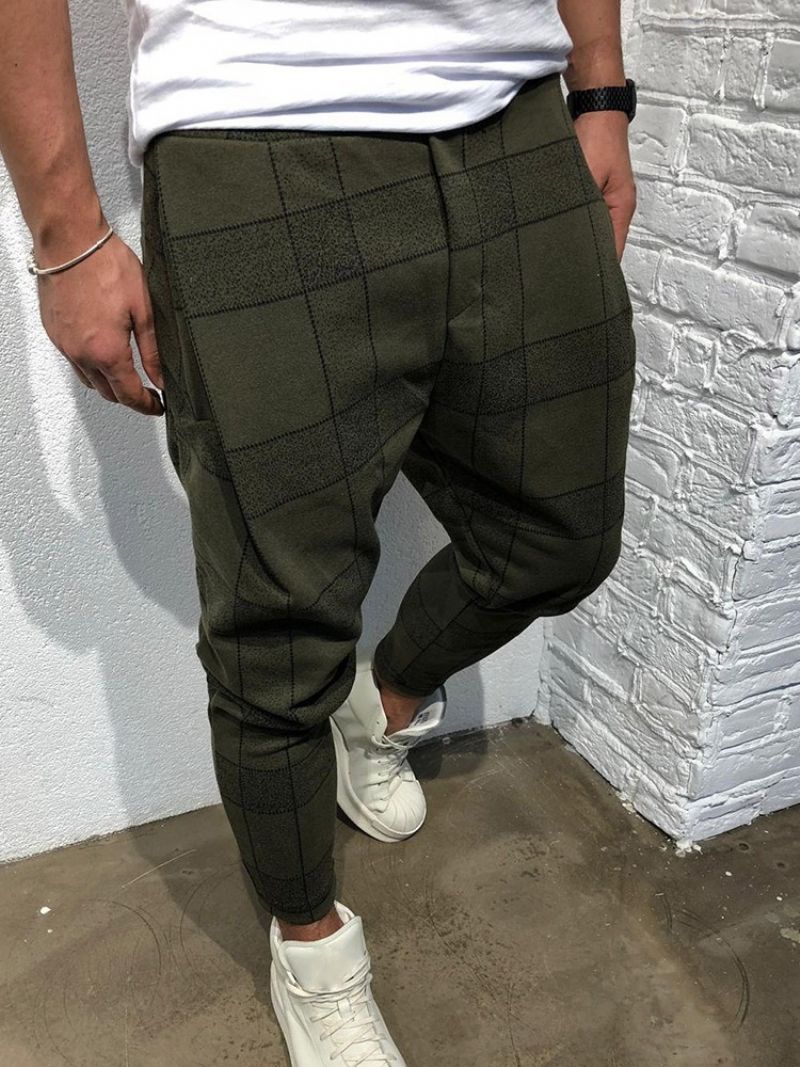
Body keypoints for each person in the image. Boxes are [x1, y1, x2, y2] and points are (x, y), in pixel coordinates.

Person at [0, 1, 637, 1063]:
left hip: (517, 116)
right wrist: (65, 234)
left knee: (562, 532)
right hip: (252, 135)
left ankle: (380, 701)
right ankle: (311, 948)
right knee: (276, 633)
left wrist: (601, 89)